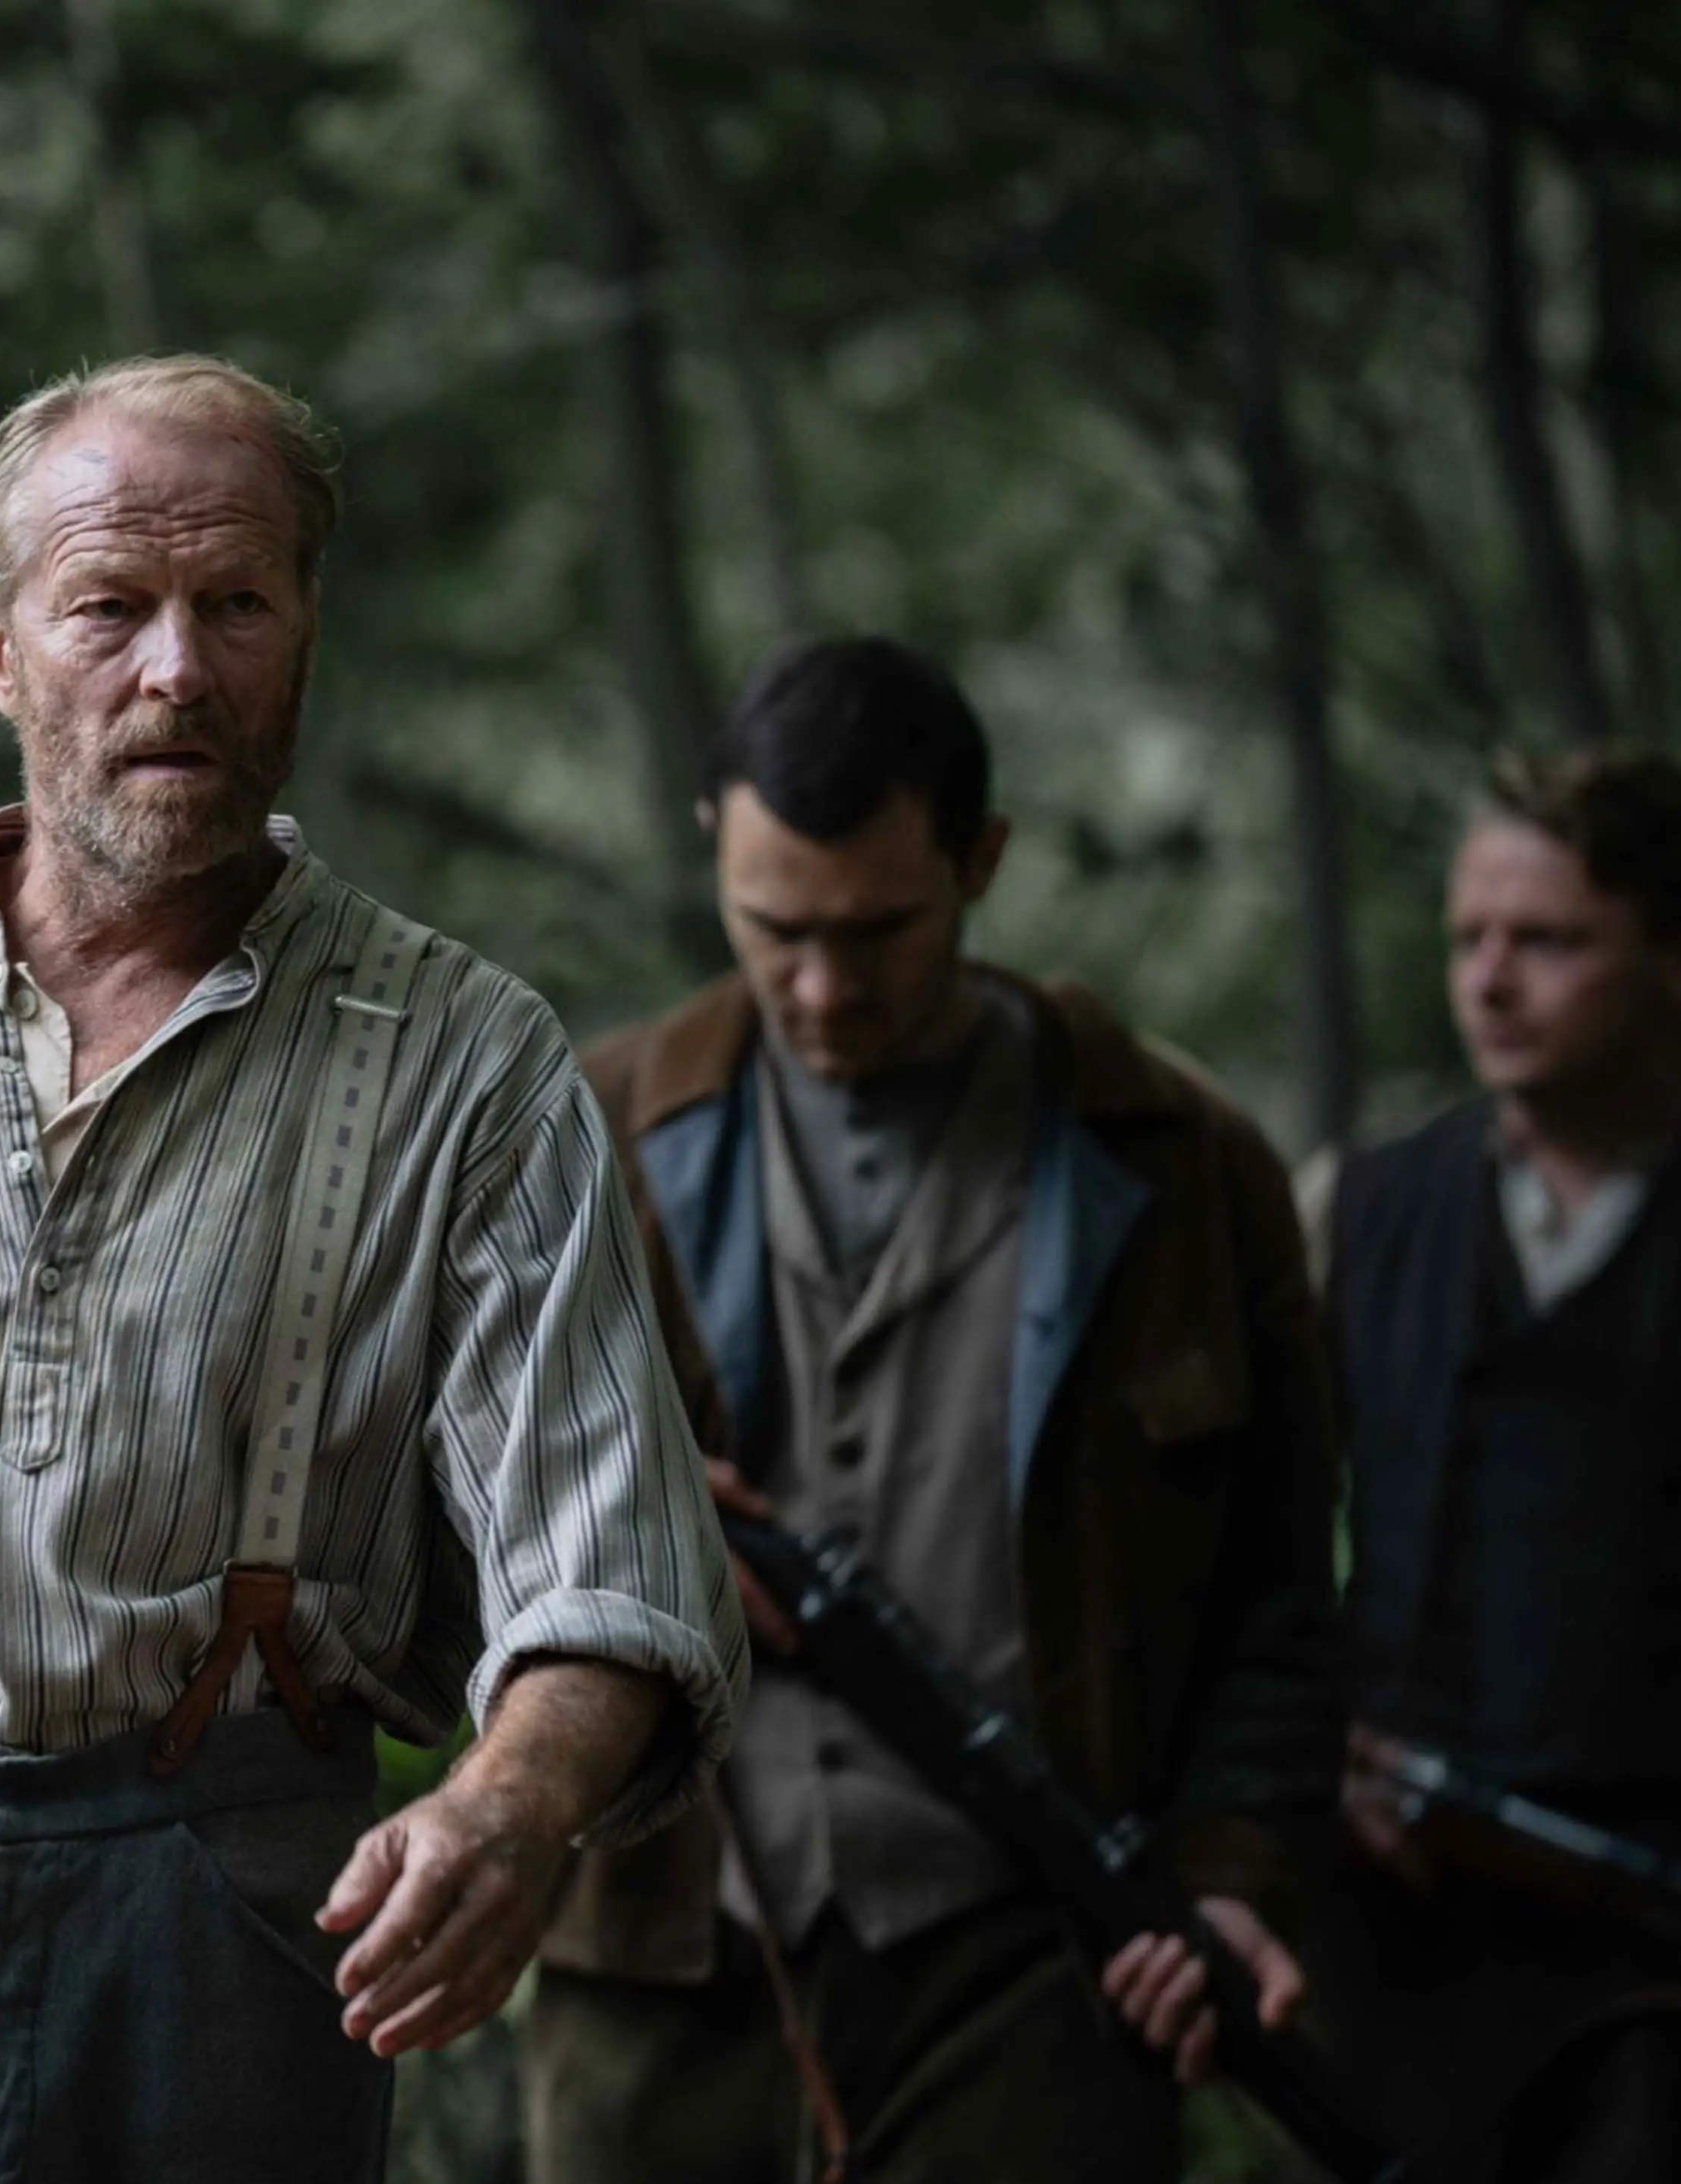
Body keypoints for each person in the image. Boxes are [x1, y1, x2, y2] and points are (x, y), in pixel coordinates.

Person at [0, 355, 746, 2184]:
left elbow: (611, 1573)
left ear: (305, 629)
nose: (176, 669)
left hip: (222, 1930)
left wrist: (505, 1806)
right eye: (108, 608)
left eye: (235, 603)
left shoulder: (466, 1063)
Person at [522, 637, 1342, 2183]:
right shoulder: (584, 1134)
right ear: (715, 848)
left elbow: (1282, 1600)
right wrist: (632, 1538)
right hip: (660, 1958)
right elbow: (430, 1537)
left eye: (881, 930)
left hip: (1033, 1964)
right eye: (775, 930)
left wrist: (1232, 1878)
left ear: (983, 862)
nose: (823, 990)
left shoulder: (1181, 1166)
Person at [1307, 747, 1681, 2181]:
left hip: (1647, 1956)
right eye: (1471, 937)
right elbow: (1240, 1539)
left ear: (1664, 950)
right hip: (1396, 1929)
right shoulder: (1367, 1207)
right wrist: (1322, 1743)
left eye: (1550, 939)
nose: (1491, 979)